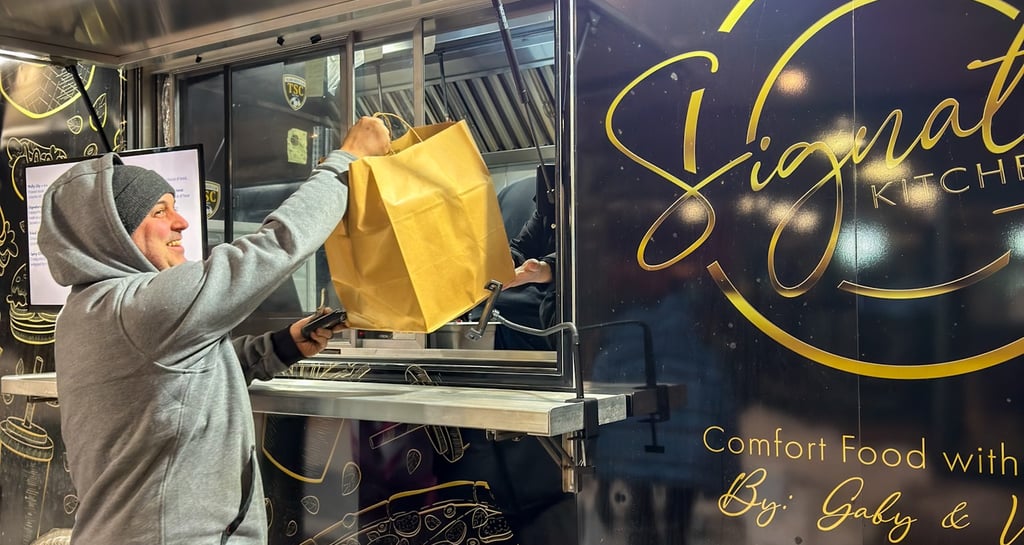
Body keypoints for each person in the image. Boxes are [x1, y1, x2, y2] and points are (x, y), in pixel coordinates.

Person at [37, 116, 391, 545]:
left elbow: (177, 381)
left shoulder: (84, 311)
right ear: (114, 235)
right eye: (159, 211)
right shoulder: (144, 306)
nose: (181, 222)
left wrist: (280, 346)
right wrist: (347, 159)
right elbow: (276, 246)